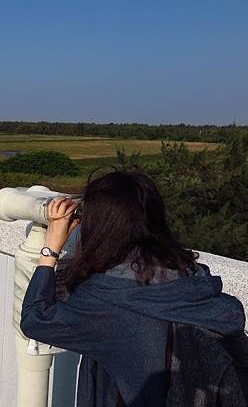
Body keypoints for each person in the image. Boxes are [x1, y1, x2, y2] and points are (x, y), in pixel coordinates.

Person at [19, 170, 246, 407]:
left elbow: (35, 319)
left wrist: (51, 248)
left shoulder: (105, 298)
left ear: (100, 227)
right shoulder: (192, 276)